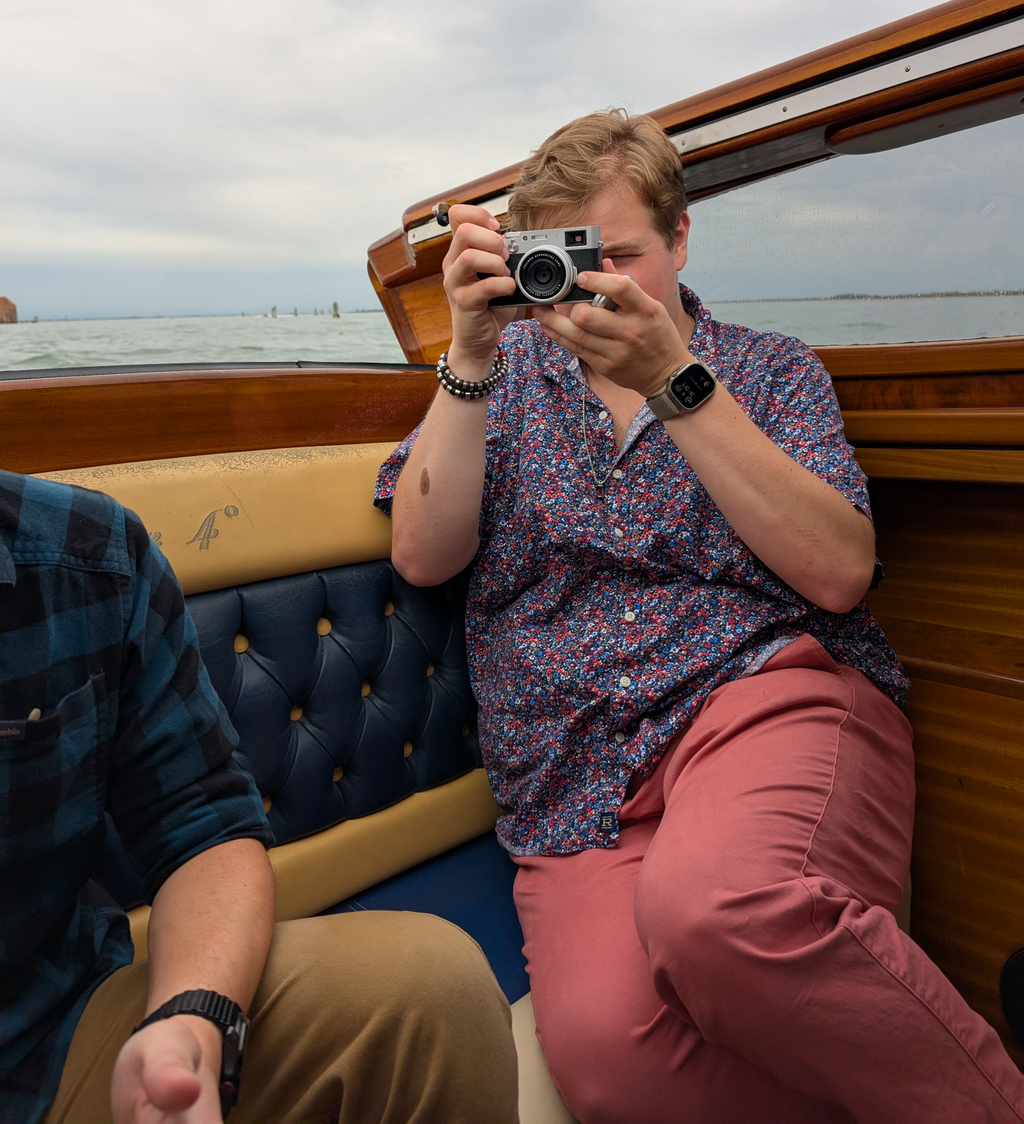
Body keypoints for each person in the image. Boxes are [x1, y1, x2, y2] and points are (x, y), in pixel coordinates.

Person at [375, 109, 1024, 1124]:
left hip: (757, 698)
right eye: (561, 257)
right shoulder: (501, 385)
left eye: (618, 255)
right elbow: (422, 551)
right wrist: (466, 351)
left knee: (721, 911)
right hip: (570, 771)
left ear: (680, 241)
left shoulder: (768, 370)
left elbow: (840, 571)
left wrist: (671, 379)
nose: (590, 284)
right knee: (605, 1060)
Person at [0, 468, 518, 1124]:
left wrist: (195, 1023)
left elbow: (202, 825)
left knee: (436, 994)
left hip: (46, 1041)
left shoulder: (89, 556)